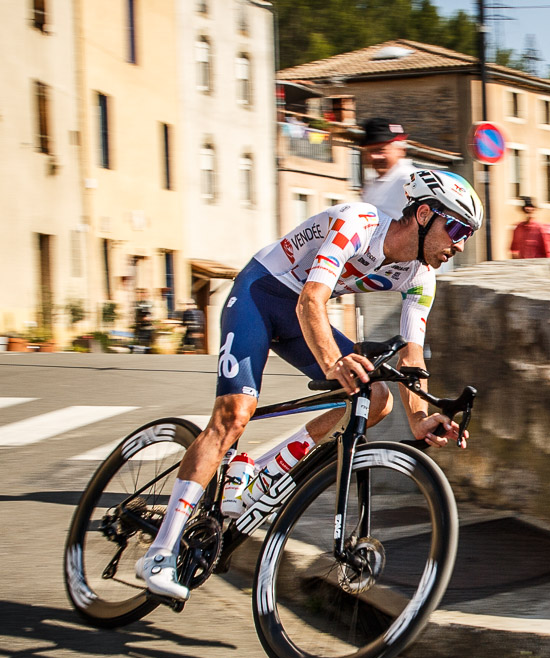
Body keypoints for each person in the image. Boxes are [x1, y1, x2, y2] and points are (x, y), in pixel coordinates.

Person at [133, 169, 484, 601]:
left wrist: (421, 417)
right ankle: (160, 551)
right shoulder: (359, 224)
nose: (461, 243)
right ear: (425, 213)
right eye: (456, 228)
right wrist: (334, 362)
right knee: (234, 415)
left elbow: (411, 358)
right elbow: (310, 299)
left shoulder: (420, 277)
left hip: (301, 317)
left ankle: (258, 472)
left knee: (376, 399)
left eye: (467, 233)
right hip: (261, 296)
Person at [357, 117, 417, 219]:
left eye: (381, 150)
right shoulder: (371, 185)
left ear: (401, 150)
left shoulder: (411, 180)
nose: (374, 156)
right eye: (370, 151)